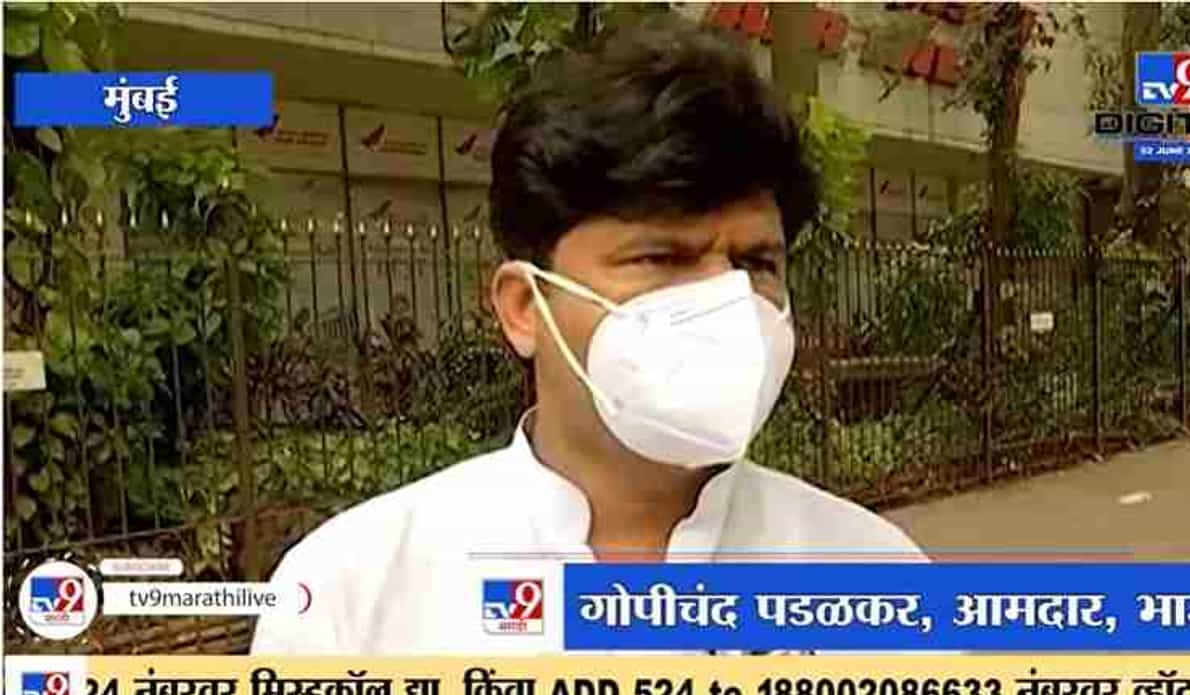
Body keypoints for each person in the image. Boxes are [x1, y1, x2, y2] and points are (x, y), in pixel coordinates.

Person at [252, 18, 923, 656]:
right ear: (525, 308)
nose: (728, 301)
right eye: (661, 258)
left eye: (757, 263)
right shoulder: (355, 595)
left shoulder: (874, 577)